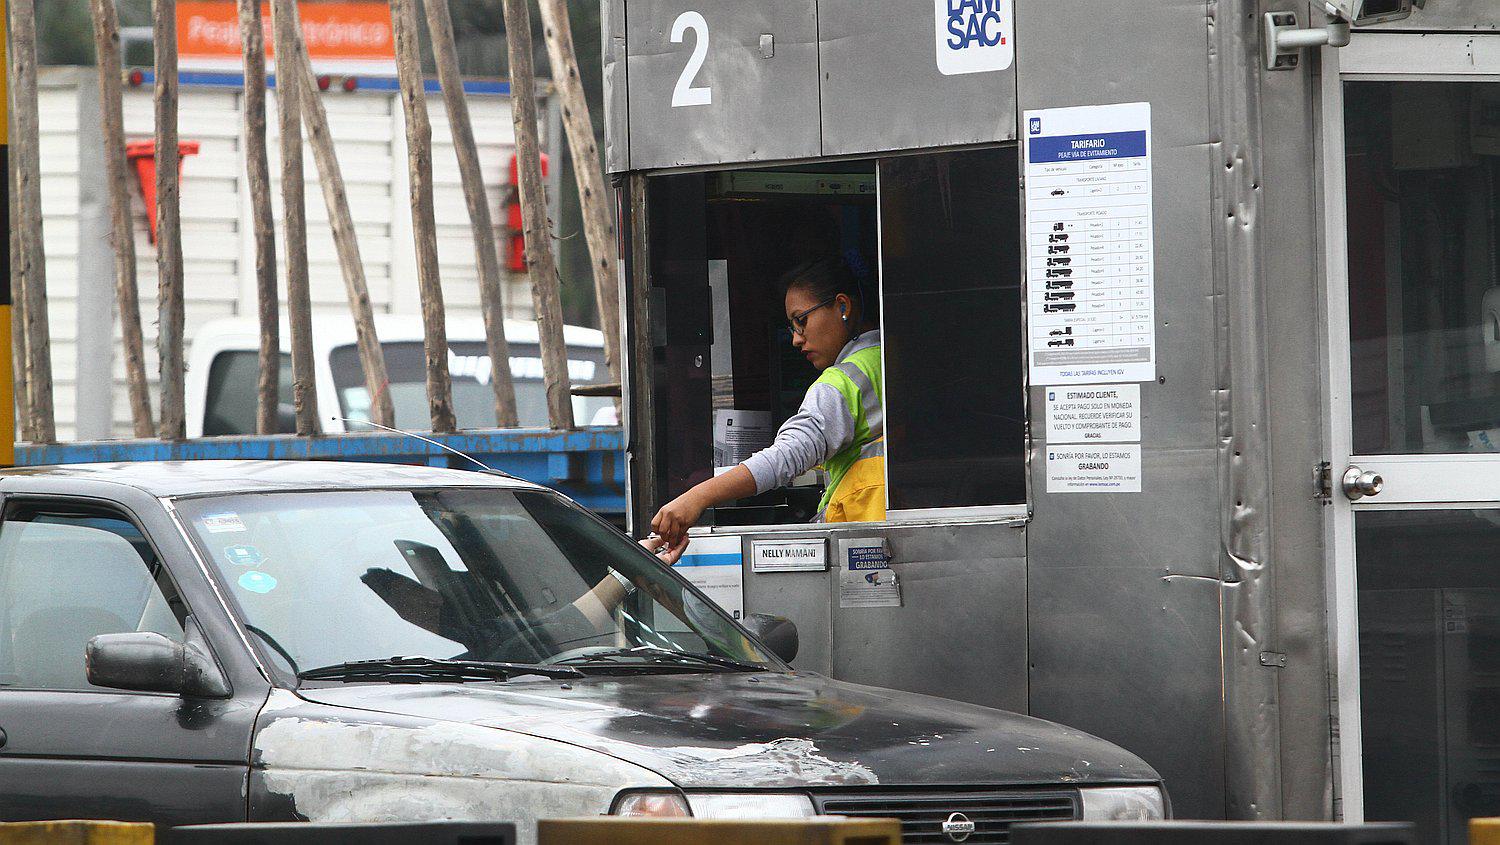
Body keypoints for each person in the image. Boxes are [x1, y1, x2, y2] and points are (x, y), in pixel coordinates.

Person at [652, 256, 883, 546]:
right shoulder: (887, 362)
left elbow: (785, 458)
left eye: (801, 320)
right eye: (792, 327)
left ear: (842, 306)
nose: (796, 339)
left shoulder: (840, 383)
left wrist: (698, 496)